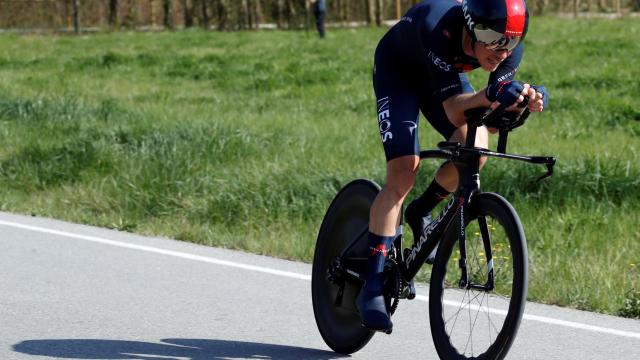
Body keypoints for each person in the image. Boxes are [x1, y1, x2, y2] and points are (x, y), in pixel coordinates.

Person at [356, 0, 549, 332]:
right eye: (491, 36)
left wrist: (519, 105)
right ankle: (372, 282)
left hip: (440, 78)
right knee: (404, 171)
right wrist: (488, 95)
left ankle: (422, 209)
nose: (501, 49)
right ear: (472, 26)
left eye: (511, 40)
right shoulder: (437, 26)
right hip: (399, 72)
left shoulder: (505, 49)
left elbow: (488, 123)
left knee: (477, 150)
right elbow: (455, 112)